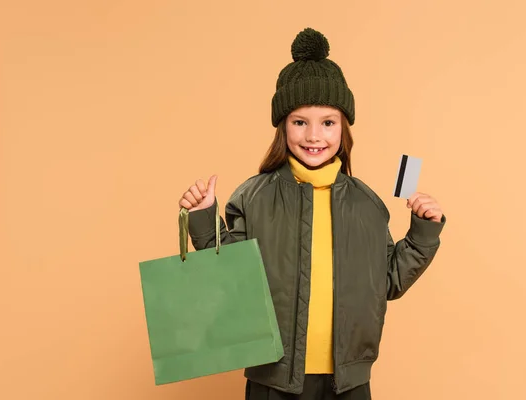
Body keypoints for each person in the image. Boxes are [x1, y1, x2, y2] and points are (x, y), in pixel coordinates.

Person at [179, 27, 446, 400]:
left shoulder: (366, 204)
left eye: (328, 122)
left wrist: (423, 233)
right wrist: (204, 218)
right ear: (283, 126)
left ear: (343, 127)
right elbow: (229, 281)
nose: (313, 136)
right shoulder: (254, 197)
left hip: (348, 382)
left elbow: (388, 282)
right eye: (300, 122)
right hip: (273, 379)